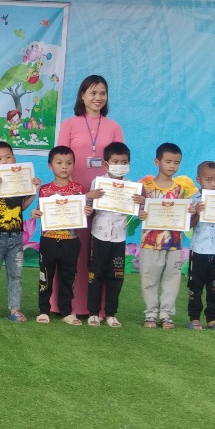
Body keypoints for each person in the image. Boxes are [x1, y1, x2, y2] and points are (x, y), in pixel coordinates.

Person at [55, 75, 124, 320]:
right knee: (71, 250)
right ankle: (66, 305)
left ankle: (99, 308)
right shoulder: (69, 124)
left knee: (100, 253)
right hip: (75, 196)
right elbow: (60, 159)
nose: (98, 97)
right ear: (82, 96)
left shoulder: (114, 127)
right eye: (92, 92)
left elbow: (119, 164)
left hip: (105, 200)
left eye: (102, 93)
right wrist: (75, 194)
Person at [138, 143, 198, 329]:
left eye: (176, 162)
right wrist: (140, 212)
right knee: (149, 279)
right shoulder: (145, 187)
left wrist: (190, 211)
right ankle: (150, 314)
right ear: (157, 162)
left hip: (174, 242)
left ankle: (166, 315)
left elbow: (185, 218)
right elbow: (138, 211)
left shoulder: (181, 189)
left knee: (172, 280)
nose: (172, 166)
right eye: (168, 161)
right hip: (150, 241)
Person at [84, 142, 142, 328]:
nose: (120, 165)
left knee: (116, 276)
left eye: (124, 162)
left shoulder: (132, 187)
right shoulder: (98, 183)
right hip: (99, 235)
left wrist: (142, 202)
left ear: (129, 163)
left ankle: (110, 313)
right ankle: (93, 312)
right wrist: (89, 197)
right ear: (106, 164)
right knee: (95, 274)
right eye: (115, 161)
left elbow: (140, 211)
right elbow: (88, 208)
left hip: (119, 237)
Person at [0, 140, 36, 323]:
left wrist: (33, 191)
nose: (4, 161)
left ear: (14, 159)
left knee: (16, 276)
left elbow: (22, 207)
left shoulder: (20, 180)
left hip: (16, 236)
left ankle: (15, 309)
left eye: (8, 157)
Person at [32, 145, 86, 325]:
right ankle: (43, 310)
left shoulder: (79, 189)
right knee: (45, 276)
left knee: (68, 277)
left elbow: (83, 212)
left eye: (69, 163)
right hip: (48, 240)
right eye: (59, 163)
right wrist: (35, 213)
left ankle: (66, 311)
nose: (64, 167)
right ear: (50, 166)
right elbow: (39, 211)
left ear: (73, 165)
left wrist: (87, 210)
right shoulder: (45, 189)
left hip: (71, 241)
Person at [187, 160, 215, 331]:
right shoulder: (193, 201)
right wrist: (197, 213)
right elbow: (188, 224)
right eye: (208, 180)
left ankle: (212, 318)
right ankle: (194, 318)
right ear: (199, 180)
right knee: (195, 286)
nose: (213, 184)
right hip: (199, 251)